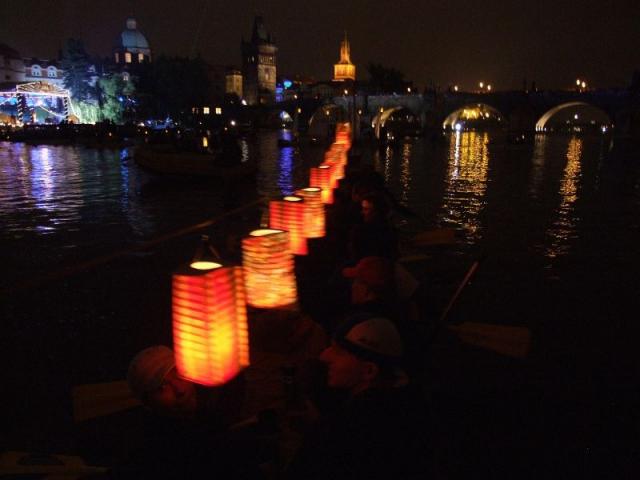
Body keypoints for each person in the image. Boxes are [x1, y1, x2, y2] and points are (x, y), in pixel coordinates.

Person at [285, 315, 432, 479]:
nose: (325, 356)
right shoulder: (406, 402)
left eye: (339, 352)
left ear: (369, 371)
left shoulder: (358, 429)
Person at [108, 345, 263, 479]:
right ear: (147, 403)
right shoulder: (163, 454)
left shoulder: (211, 415)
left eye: (180, 374)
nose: (179, 389)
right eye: (162, 388)